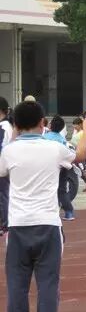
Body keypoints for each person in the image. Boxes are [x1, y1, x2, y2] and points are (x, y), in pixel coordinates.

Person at [0, 101, 86, 312]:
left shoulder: (9, 151)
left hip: (18, 226)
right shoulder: (54, 148)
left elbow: (2, 172)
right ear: (43, 123)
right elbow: (80, 156)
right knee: (48, 284)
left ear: (16, 125)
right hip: (48, 226)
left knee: (17, 286)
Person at [42, 116, 77, 221]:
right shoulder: (62, 139)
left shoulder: (44, 137)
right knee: (62, 190)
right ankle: (69, 212)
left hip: (48, 167)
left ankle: (51, 211)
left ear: (50, 125)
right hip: (62, 166)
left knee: (47, 189)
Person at [0, 97, 12, 234]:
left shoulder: (3, 127)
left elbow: (2, 147)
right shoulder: (6, 126)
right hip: (4, 165)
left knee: (3, 195)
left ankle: (5, 223)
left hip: (2, 166)